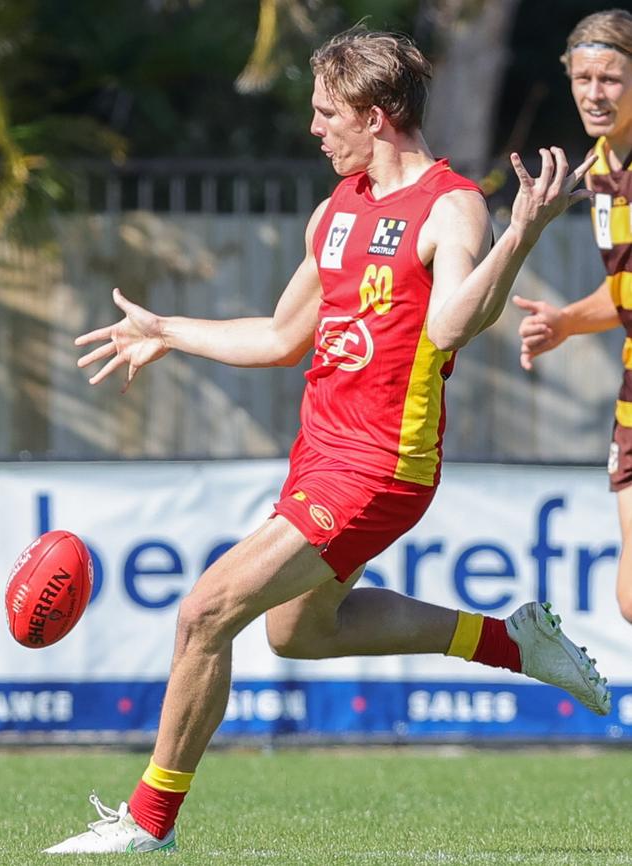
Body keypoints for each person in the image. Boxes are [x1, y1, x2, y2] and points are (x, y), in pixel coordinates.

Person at [45, 26, 610, 855]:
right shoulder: (337, 210)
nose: (314, 128)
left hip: (383, 466)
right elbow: (280, 336)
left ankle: (147, 821)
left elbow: (451, 323)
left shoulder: (450, 205)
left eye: (326, 112)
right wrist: (168, 329)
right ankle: (510, 641)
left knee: (204, 611)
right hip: (320, 456)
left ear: (377, 116)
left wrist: (519, 235)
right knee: (299, 633)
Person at [515, 9, 632, 622]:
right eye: (582, 77)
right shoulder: (601, 169)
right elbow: (624, 289)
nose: (594, 93)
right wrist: (565, 322)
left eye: (610, 78)